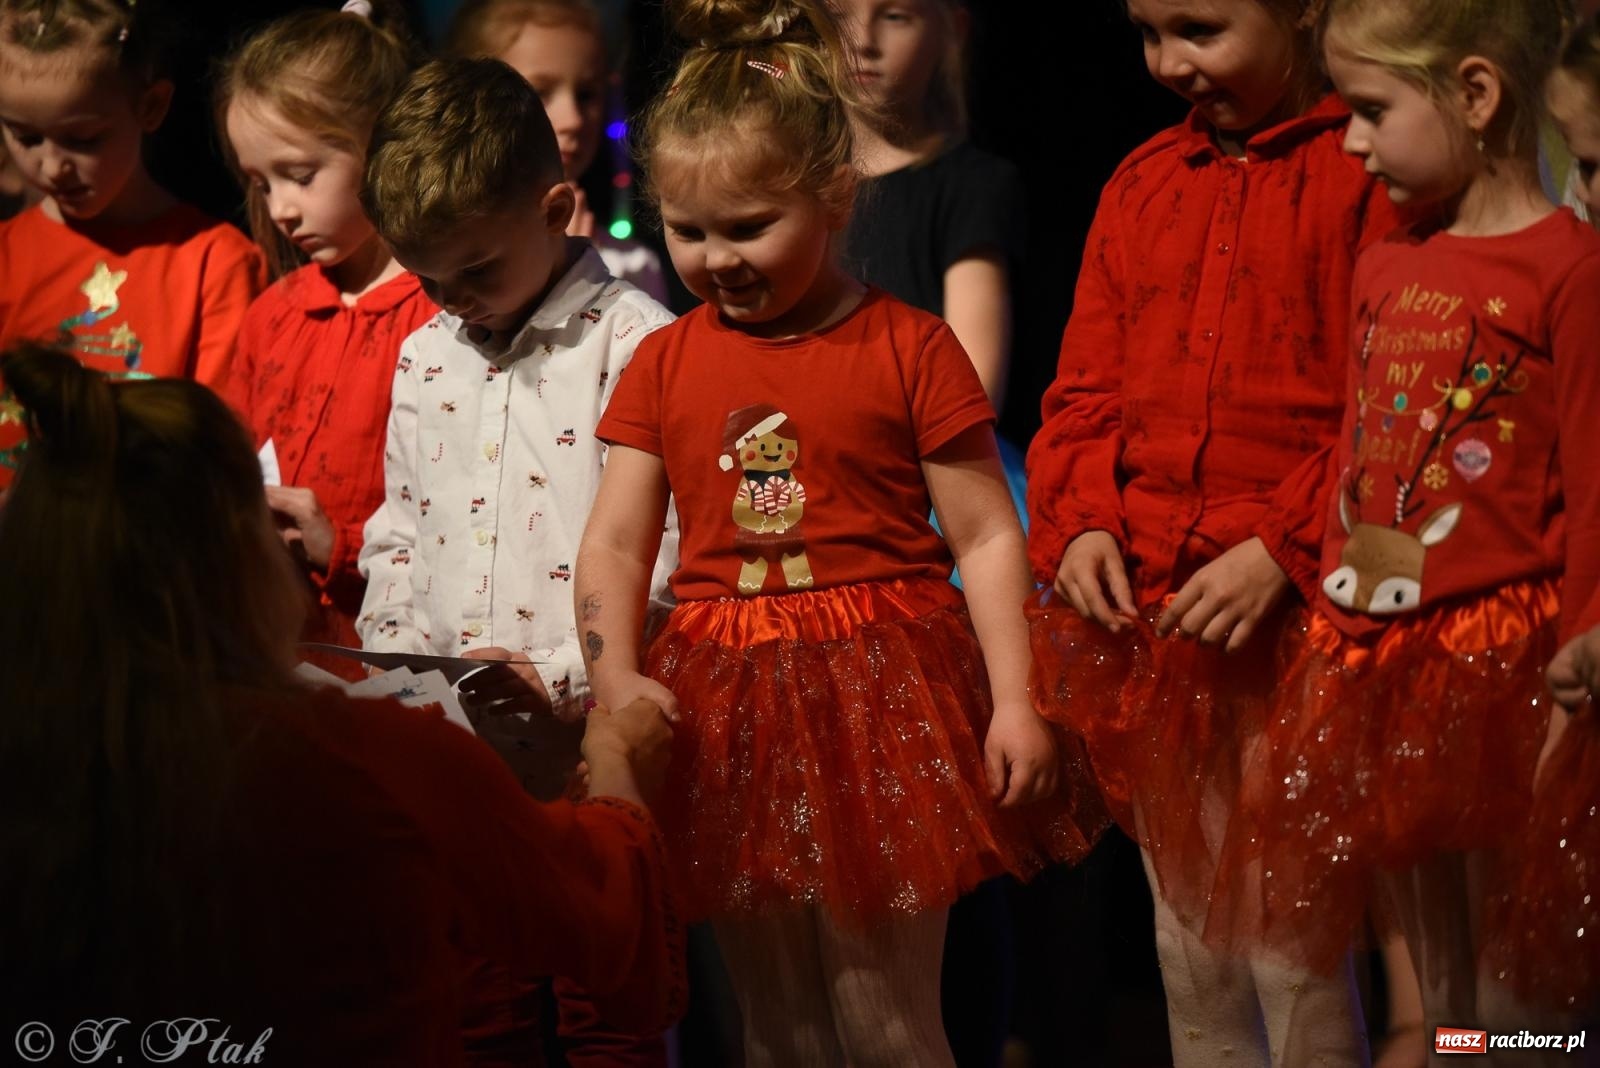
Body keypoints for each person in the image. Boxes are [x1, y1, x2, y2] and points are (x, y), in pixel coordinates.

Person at [575, 2, 1104, 1063]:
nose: (716, 258)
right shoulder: (663, 362)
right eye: (689, 231)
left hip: (883, 697)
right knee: (776, 1028)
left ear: (832, 199)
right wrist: (618, 675)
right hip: (728, 710)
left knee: (884, 1018)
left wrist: (1014, 701)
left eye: (748, 227)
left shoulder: (908, 347)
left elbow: (988, 537)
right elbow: (619, 544)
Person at [0, 340, 684, 1065]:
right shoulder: (368, 756)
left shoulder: (34, 759)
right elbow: (601, 921)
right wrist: (617, 772)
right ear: (241, 543)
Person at [1024, 0, 1403, 1062]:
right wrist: (1084, 521)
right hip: (1159, 622)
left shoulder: (1363, 172)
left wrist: (1283, 549)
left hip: (1296, 629)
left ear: (1302, 11)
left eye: (1201, 28)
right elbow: (1086, 390)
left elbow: (1393, 407)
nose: (1169, 63)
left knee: (1295, 946)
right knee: (1187, 945)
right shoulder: (1143, 183)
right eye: (1148, 33)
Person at [1223, 0, 1600, 1041]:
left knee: (1522, 982)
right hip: (1388, 654)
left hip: (1508, 664)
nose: (1348, 140)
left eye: (1369, 110)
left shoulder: (1567, 269)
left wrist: (1582, 649)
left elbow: (1593, 485)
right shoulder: (1388, 258)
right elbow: (1361, 449)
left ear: (1475, 96)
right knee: (1439, 984)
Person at [355, 56, 678, 1065]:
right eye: (430, 279)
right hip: (463, 751)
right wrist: (409, 682)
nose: (457, 301)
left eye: (478, 271)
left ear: (556, 207)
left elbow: (666, 548)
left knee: (606, 1014)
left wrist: (573, 679)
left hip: (594, 753)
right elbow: (399, 532)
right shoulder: (424, 353)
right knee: (473, 1009)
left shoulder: (635, 345)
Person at [216, 1, 436, 672]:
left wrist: (337, 547)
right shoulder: (274, 314)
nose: (280, 207)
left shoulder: (441, 315)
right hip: (272, 654)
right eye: (261, 182)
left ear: (379, 147)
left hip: (391, 658)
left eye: (301, 175)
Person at [0, 0, 264, 490]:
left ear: (151, 107)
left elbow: (217, 445)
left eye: (83, 139)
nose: (52, 166)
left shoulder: (214, 262)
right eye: (26, 137)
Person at [445, 0, 667, 301]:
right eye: (539, 93)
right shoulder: (442, 258)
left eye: (586, 94)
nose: (574, 119)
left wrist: (585, 275)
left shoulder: (635, 267)